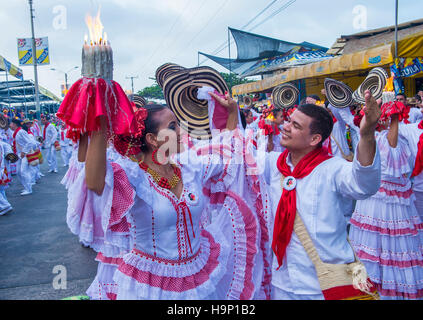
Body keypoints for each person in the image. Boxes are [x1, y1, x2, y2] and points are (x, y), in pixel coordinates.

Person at [71, 99, 269, 300]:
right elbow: (95, 183)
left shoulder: (190, 168)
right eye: (173, 127)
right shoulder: (134, 177)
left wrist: (232, 112)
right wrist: (100, 123)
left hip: (198, 277)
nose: (183, 131)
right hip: (149, 287)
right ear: (153, 139)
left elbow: (227, 150)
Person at [261, 90, 382, 300]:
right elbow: (230, 157)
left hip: (324, 285)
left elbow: (364, 184)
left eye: (296, 126)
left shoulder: (332, 168)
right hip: (282, 283)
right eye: (289, 121)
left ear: (315, 138)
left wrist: (367, 134)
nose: (286, 127)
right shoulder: (274, 165)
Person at [349, 100, 423, 299]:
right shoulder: (375, 138)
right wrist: (395, 118)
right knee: (379, 247)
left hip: (393, 202)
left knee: (393, 247)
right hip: (378, 200)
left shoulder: (400, 136)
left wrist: (395, 118)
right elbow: (391, 146)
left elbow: (395, 145)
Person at [10, 118, 38, 195]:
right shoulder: (15, 132)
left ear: (14, 124)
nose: (10, 125)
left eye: (11, 124)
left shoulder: (21, 132)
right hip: (19, 154)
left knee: (24, 171)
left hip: (25, 154)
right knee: (18, 172)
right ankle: (26, 187)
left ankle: (29, 189)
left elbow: (30, 142)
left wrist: (24, 151)